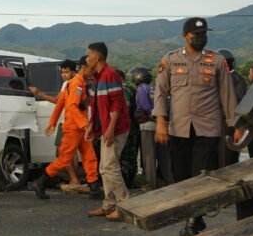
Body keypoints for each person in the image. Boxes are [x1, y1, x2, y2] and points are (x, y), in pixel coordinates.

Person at [153, 17, 241, 236]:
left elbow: (227, 96)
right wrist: (161, 122)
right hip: (179, 128)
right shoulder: (170, 60)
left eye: (204, 34)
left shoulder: (217, 61)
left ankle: (191, 222)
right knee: (181, 176)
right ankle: (196, 217)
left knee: (200, 176)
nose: (201, 38)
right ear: (185, 36)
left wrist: (235, 125)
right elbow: (160, 92)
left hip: (207, 129)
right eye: (196, 35)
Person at [33, 57, 99, 199]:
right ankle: (40, 182)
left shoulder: (73, 84)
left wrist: (52, 122)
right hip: (74, 128)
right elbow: (72, 107)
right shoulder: (77, 84)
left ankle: (94, 188)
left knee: (90, 157)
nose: (93, 72)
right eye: (91, 69)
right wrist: (86, 125)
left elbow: (60, 103)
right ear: (83, 68)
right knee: (65, 159)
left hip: (78, 128)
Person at [83, 43, 130, 220]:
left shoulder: (111, 75)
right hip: (106, 129)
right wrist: (91, 127)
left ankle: (125, 206)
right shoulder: (97, 78)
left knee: (110, 166)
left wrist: (110, 129)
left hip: (116, 129)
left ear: (97, 58)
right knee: (104, 168)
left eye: (88, 56)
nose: (87, 59)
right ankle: (109, 205)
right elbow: (94, 106)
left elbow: (117, 105)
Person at [132, 66, 172, 188]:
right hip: (161, 125)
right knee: (164, 155)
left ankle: (151, 184)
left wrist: (152, 115)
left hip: (147, 125)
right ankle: (169, 180)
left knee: (149, 157)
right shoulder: (154, 88)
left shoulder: (141, 88)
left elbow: (144, 105)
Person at [217, 49, 247, 166]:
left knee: (228, 158)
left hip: (228, 123)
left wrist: (237, 127)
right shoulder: (221, 78)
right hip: (218, 122)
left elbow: (237, 104)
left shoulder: (236, 78)